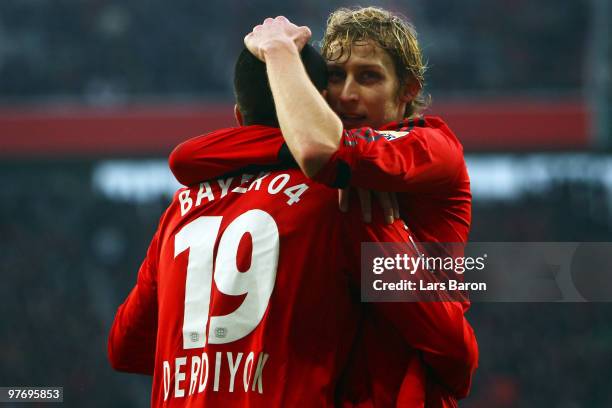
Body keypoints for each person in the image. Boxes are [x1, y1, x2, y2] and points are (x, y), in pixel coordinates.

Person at [109, 44, 474, 407]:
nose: (347, 97)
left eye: (367, 77)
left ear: (239, 116)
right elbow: (449, 342)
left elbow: (126, 348)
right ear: (312, 108)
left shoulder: (180, 209)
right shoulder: (341, 198)